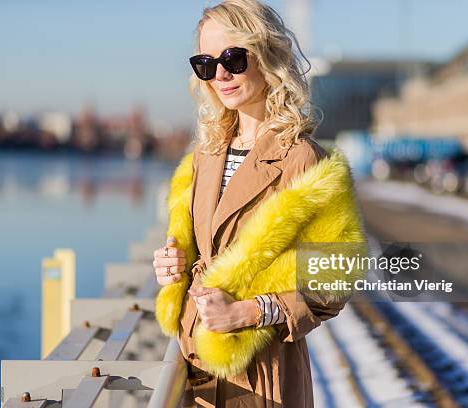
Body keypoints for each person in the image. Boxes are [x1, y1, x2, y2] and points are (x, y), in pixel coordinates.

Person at [152, 1, 366, 406]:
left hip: (264, 379)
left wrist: (248, 313)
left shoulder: (304, 159)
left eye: (233, 58)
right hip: (194, 373)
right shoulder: (206, 154)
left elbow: (334, 280)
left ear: (266, 54)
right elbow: (203, 248)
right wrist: (171, 266)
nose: (220, 74)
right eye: (205, 63)